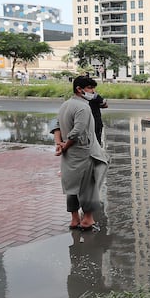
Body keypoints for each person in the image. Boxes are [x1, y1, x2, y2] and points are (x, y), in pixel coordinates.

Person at [51, 75, 109, 232]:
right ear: (79, 89)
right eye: (90, 88)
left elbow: (55, 125)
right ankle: (87, 220)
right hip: (84, 153)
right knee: (89, 186)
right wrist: (66, 144)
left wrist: (60, 144)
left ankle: (74, 219)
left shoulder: (65, 104)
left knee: (72, 187)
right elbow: (78, 131)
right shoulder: (83, 107)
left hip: (69, 156)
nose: (93, 91)